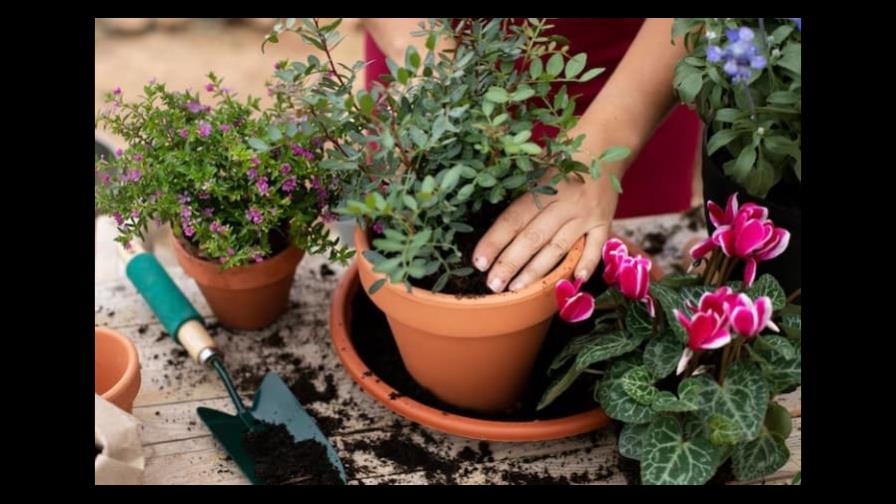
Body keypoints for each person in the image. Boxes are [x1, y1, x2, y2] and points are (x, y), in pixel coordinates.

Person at [361, 18, 701, 292]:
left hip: (632, 77)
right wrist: (428, 67)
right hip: (429, 69)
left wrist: (604, 146)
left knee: (614, 277)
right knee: (398, 233)